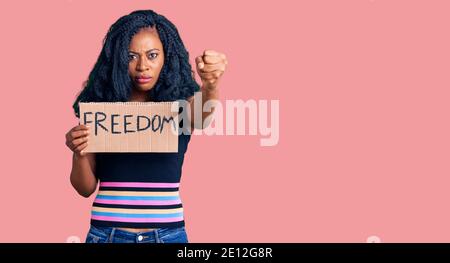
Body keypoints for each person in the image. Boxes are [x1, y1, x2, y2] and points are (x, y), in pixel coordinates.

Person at [65, 9, 227, 243]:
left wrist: (211, 86)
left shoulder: (180, 106)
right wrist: (79, 153)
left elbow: (202, 117)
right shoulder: (101, 108)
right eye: (131, 56)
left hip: (167, 236)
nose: (142, 66)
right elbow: (85, 188)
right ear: (118, 59)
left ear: (166, 57)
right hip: (107, 236)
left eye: (152, 55)